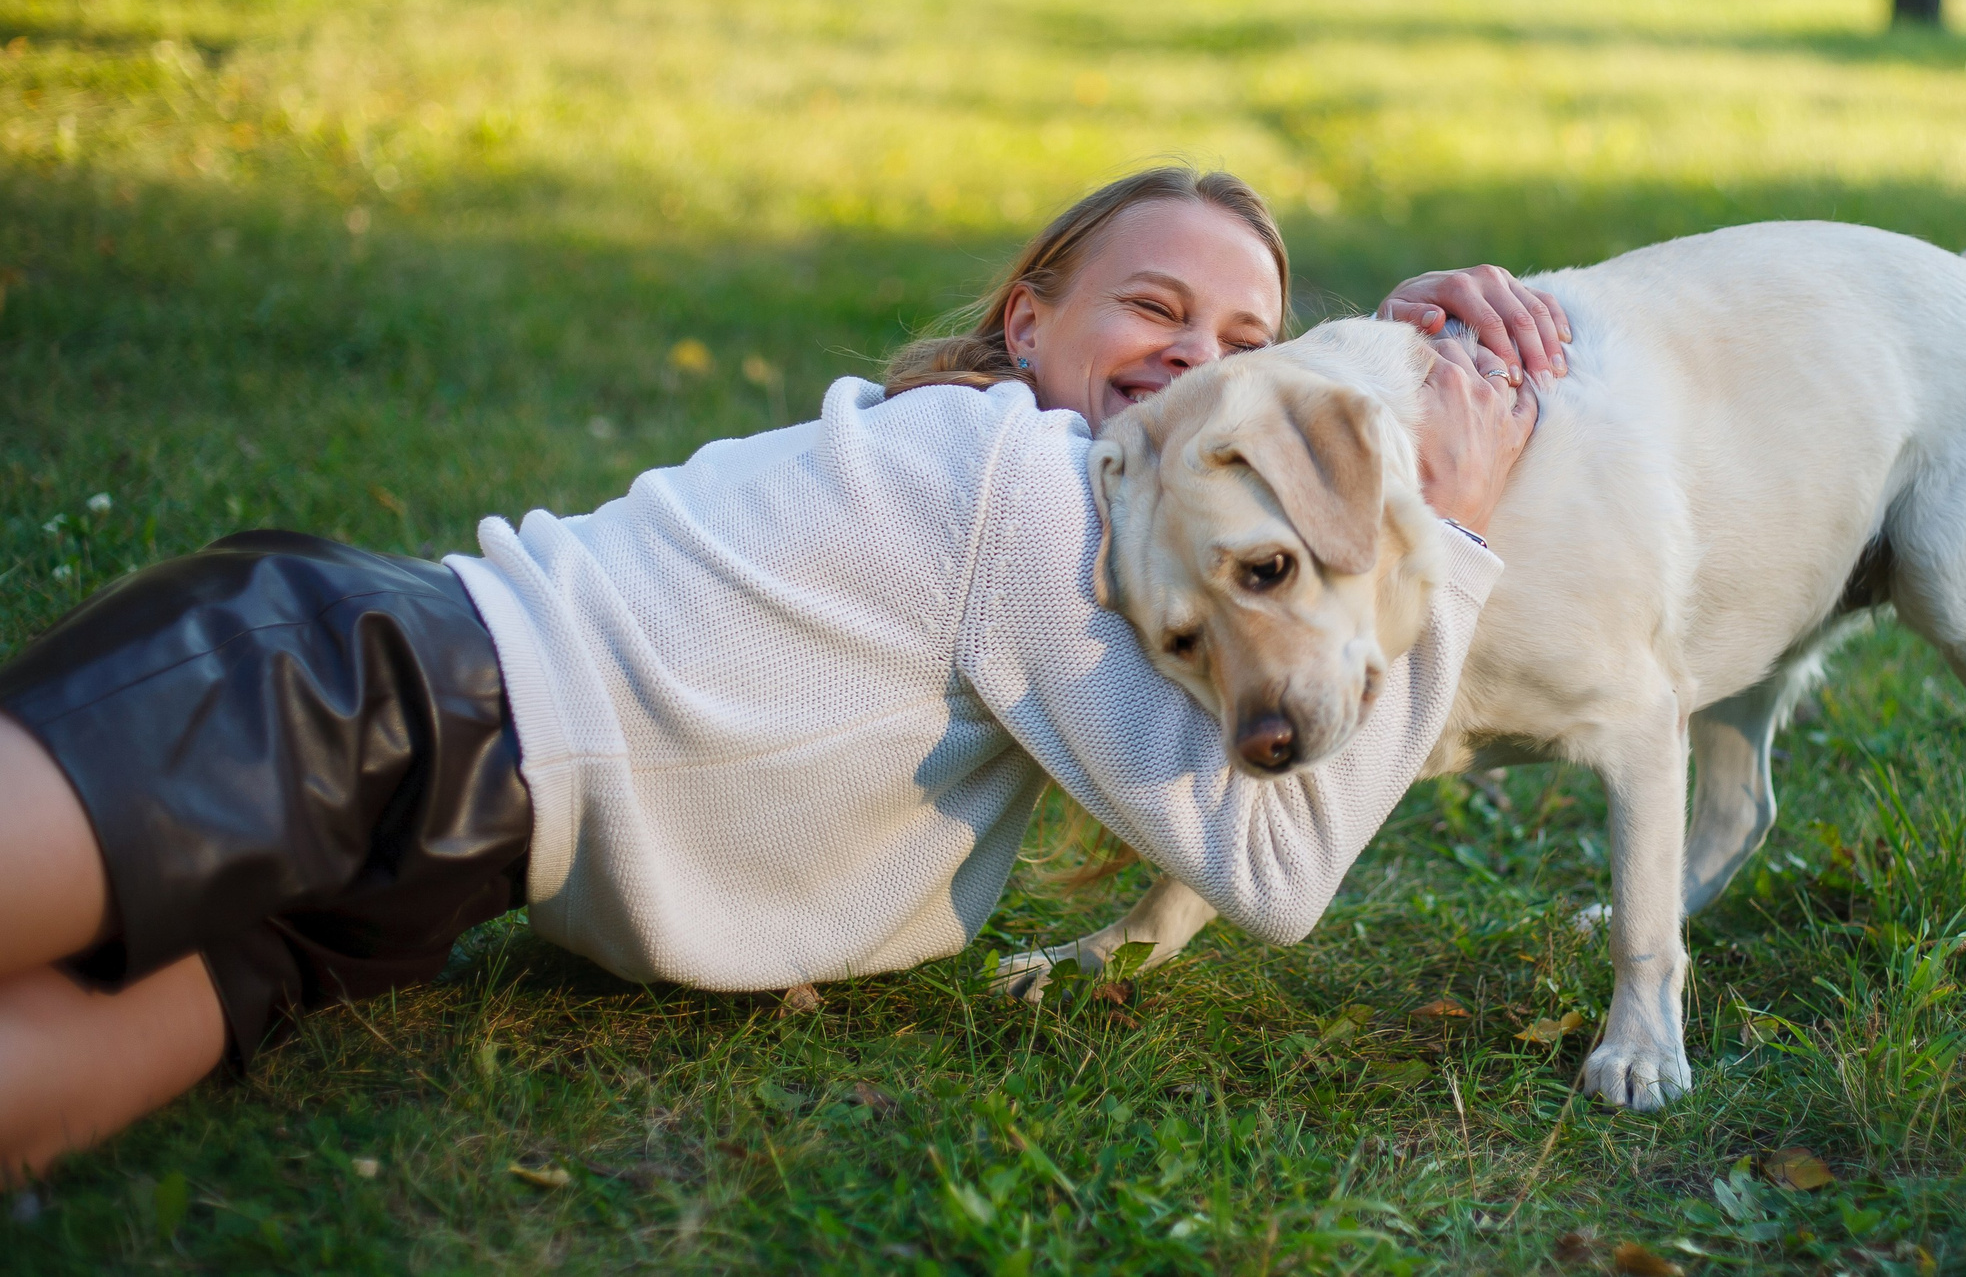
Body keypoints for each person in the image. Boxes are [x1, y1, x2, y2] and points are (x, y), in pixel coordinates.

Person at [0, 166, 1568, 1180]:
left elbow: (1265, 696)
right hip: (348, 700)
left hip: (426, 879)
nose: (1196, 360)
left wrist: (1384, 379)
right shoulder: (1026, 485)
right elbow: (1277, 866)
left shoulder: (1115, 545)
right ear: (1030, 323)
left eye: (1245, 341)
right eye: (1153, 307)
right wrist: (1446, 531)